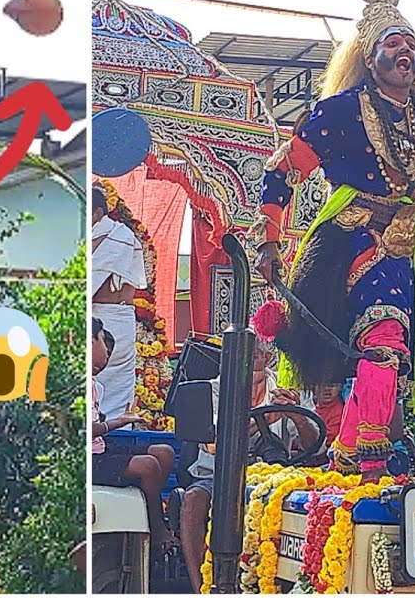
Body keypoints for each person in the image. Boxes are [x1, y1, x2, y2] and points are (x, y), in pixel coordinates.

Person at [253, 0, 415, 479]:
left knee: (389, 357)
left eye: (411, 44)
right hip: (347, 242)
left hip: (405, 247)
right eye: (392, 43)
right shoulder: (337, 112)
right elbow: (283, 170)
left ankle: (353, 459)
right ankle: (366, 464)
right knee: (380, 349)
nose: (405, 52)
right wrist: (269, 242)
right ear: (369, 56)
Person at [180, 349, 320, 594]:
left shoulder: (287, 389)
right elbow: (213, 445)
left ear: (268, 358)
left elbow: (316, 449)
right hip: (218, 475)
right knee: (193, 500)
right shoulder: (214, 390)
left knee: (300, 503)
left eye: (257, 353)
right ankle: (199, 588)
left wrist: (296, 416)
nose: (250, 358)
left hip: (273, 476)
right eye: (245, 351)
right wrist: (263, 421)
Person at [91, 317, 175, 555]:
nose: (107, 350)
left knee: (165, 453)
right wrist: (119, 422)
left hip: (102, 449)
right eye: (102, 342)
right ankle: (156, 529)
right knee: (147, 466)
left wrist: (112, 419)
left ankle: (147, 509)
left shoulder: (96, 386)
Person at [91, 183, 149, 420]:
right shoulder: (110, 235)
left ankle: (116, 429)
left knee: (115, 379)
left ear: (97, 213)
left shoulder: (118, 235)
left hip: (110, 321)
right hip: (100, 318)